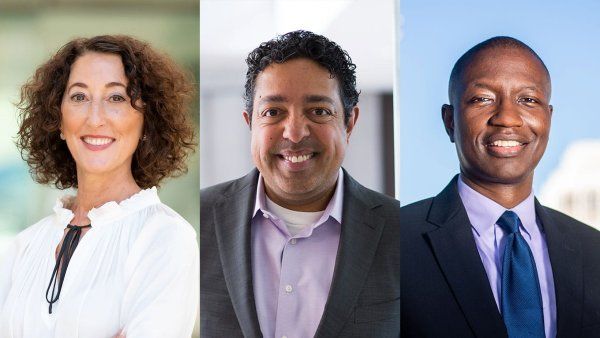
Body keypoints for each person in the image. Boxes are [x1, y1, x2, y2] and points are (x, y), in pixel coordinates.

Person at [200, 30, 400, 338]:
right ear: (250, 123)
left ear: (349, 123)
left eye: (318, 111)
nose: (294, 134)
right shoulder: (196, 222)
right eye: (273, 112)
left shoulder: (402, 231)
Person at [401, 36, 600, 338]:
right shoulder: (392, 244)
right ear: (449, 121)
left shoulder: (594, 251)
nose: (507, 117)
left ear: (549, 118)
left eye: (528, 100)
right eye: (482, 99)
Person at [0, 35, 198, 337]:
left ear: (148, 120)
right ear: (58, 119)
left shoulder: (166, 238)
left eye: (116, 98)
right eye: (79, 97)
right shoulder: (23, 246)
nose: (95, 118)